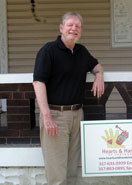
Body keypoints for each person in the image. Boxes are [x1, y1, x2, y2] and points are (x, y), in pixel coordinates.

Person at [33, 12, 104, 185]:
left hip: (76, 115)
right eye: (70, 25)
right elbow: (38, 82)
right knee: (57, 175)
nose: (74, 29)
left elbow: (96, 66)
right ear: (61, 28)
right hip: (56, 116)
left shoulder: (81, 51)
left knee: (72, 172)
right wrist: (47, 116)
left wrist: (100, 75)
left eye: (77, 26)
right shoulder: (48, 51)